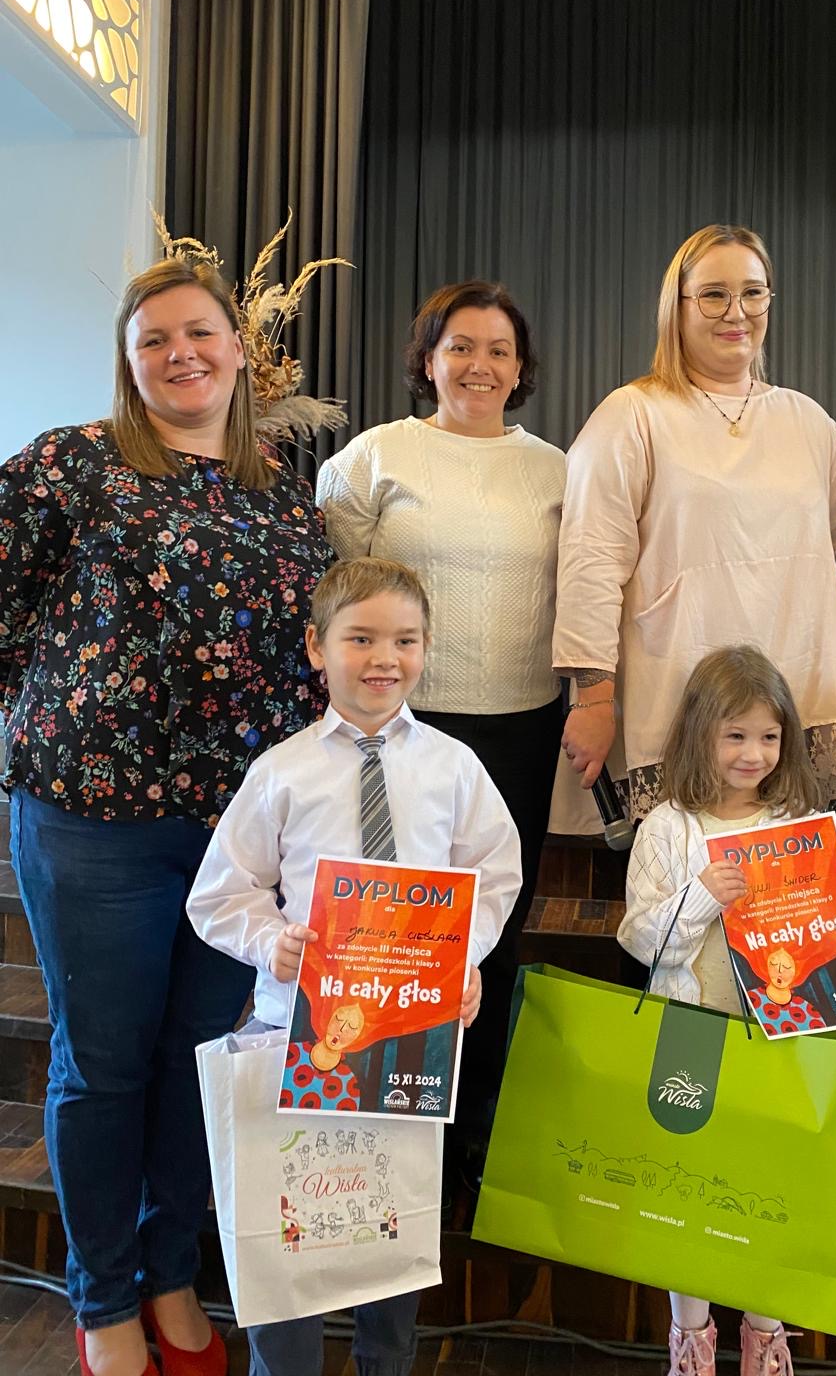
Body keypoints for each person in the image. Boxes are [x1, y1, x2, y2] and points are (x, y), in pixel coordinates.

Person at [0, 250, 333, 1376]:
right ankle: (102, 1300)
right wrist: (44, 713)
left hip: (237, 843)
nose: (181, 354)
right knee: (104, 1066)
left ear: (240, 350)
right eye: (155, 340)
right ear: (128, 360)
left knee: (202, 1065)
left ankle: (171, 1275)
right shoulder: (70, 465)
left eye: (200, 333)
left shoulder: (286, 497)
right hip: (96, 826)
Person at [186, 557, 522, 1376]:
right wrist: (271, 941)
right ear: (316, 647)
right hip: (295, 1038)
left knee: (390, 1238)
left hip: (410, 1041)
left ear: (426, 647)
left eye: (405, 640)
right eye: (361, 638)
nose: (384, 658)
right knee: (289, 1239)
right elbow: (219, 895)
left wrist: (461, 959)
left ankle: (386, 1361)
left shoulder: (453, 767)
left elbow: (493, 874)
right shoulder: (281, 772)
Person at [316, 281, 564, 1186]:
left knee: (492, 930)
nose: (479, 365)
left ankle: (470, 1139)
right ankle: (378, 1124)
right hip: (402, 725)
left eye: (499, 349)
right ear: (428, 359)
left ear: (521, 367)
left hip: (520, 725)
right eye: (460, 346)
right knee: (394, 929)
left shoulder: (557, 469)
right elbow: (340, 588)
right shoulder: (376, 456)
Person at [617, 646, 836, 1376]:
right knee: (685, 1187)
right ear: (700, 733)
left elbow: (834, 924)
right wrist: (702, 894)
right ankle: (690, 1342)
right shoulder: (668, 828)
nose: (754, 753)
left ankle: (767, 1337)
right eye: (736, 735)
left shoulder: (798, 820)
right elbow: (640, 939)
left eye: (770, 736)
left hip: (783, 1038)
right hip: (691, 1033)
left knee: (771, 1185)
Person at [555, 224, 836, 825]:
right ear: (676, 306)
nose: (736, 312)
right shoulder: (632, 415)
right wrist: (592, 700)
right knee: (680, 876)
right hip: (673, 695)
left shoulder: (809, 422)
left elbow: (835, 541)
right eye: (714, 295)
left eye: (752, 293)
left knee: (780, 880)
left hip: (786, 701)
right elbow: (590, 562)